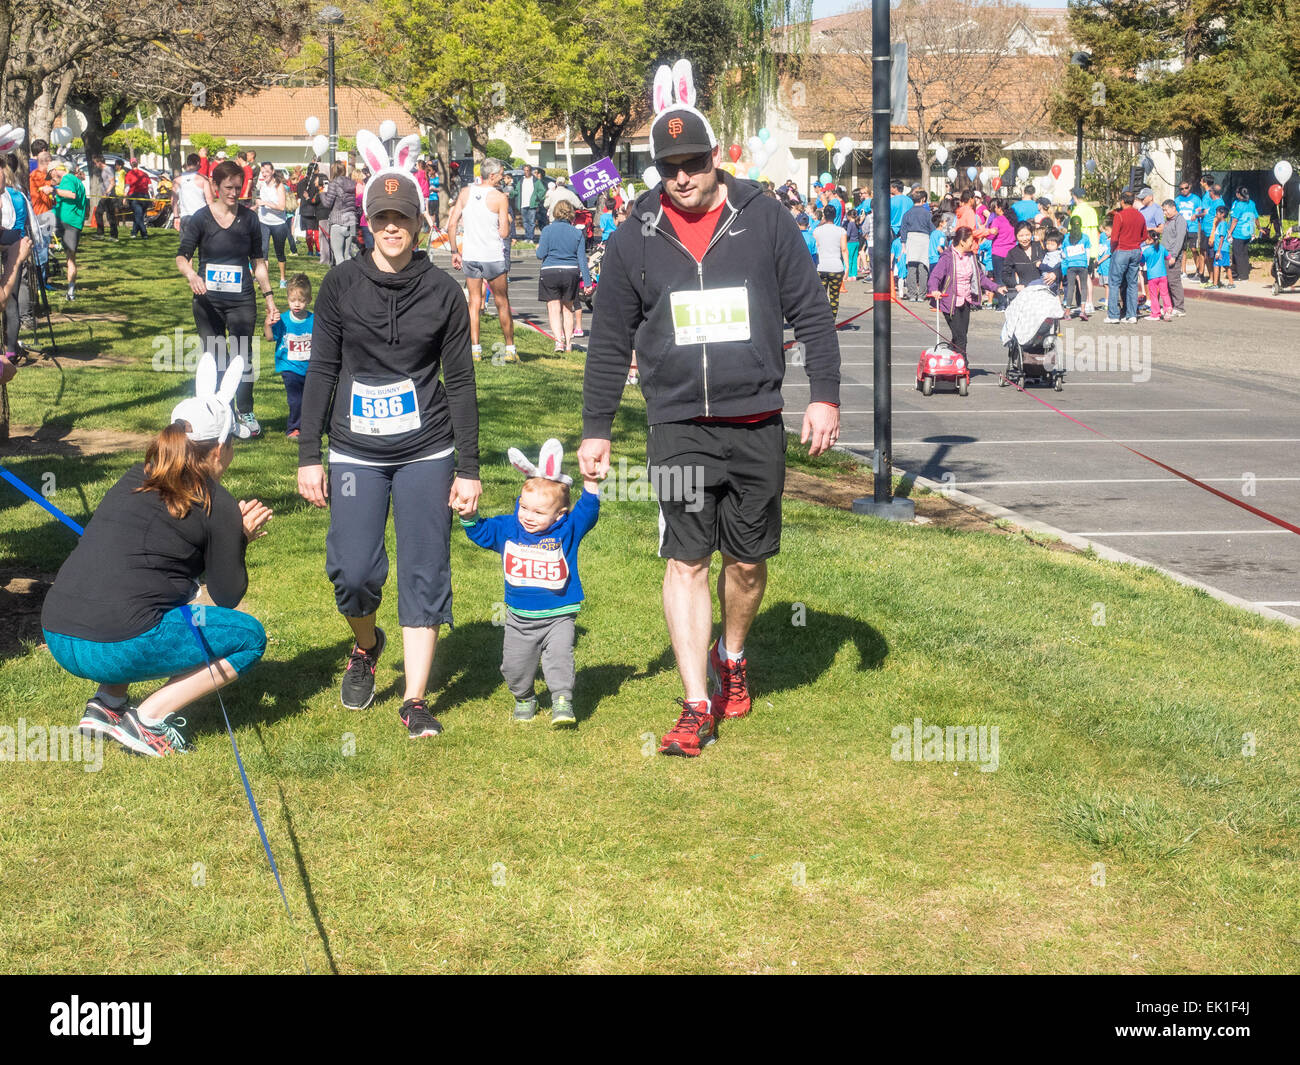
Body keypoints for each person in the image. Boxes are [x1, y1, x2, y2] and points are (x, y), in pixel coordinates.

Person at [578, 60, 840, 758]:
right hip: (676, 423)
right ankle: (696, 702)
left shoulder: (764, 218)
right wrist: (596, 428)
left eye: (692, 162)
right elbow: (607, 340)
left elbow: (812, 311)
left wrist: (824, 395)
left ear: (715, 157)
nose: (682, 178)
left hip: (755, 418)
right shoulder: (634, 234)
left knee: (747, 565)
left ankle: (733, 653)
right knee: (687, 559)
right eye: (669, 168)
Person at [296, 151, 481, 739]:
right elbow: (321, 371)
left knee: (424, 569)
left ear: (419, 223)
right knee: (353, 570)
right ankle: (367, 644)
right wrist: (308, 457)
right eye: (382, 218)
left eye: (402, 217)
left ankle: (416, 699)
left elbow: (462, 382)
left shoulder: (444, 293)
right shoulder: (340, 285)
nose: (392, 227)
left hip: (427, 449)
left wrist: (469, 468)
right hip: (354, 451)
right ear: (367, 222)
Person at [39, 355, 271, 757]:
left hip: (57, 632)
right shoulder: (218, 502)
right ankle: (147, 719)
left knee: (145, 594)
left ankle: (106, 704)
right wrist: (239, 538)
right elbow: (227, 593)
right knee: (249, 637)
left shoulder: (136, 475)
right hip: (112, 645)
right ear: (219, 449)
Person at [460, 441, 599, 728]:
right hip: (519, 618)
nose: (527, 516)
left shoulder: (568, 529)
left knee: (559, 657)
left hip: (559, 614)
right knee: (514, 666)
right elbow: (483, 532)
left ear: (559, 515)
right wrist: (468, 517)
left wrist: (591, 481)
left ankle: (562, 699)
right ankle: (524, 697)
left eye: (537, 512)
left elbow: (588, 509)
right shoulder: (510, 528)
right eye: (524, 507)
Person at [176, 158, 279, 437]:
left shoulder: (249, 219)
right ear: (215, 186)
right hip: (207, 301)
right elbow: (182, 257)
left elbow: (259, 263)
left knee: (242, 358)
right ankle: (219, 413)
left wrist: (269, 299)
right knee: (216, 358)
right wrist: (192, 276)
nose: (234, 193)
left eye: (238, 187)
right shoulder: (201, 218)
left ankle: (245, 411)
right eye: (228, 187)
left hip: (241, 300)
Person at [446, 156, 516, 362]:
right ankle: (510, 349)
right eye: (501, 174)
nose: (502, 178)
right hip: (492, 255)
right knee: (502, 301)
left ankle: (475, 349)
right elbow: (504, 233)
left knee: (474, 302)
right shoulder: (500, 197)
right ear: (492, 175)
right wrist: (505, 223)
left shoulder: (466, 192)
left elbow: (452, 224)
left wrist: (454, 251)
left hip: (471, 255)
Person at [926, 225, 1007, 356]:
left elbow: (980, 278)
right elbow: (935, 276)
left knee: (960, 335)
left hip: (966, 301)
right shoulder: (947, 257)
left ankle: (951, 357)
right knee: (961, 337)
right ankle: (962, 364)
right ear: (962, 242)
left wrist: (996, 288)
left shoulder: (971, 257)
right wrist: (934, 290)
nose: (973, 243)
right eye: (971, 240)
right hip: (950, 302)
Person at [535, 199, 591, 353]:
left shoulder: (547, 230)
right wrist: (587, 282)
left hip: (550, 271)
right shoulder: (577, 233)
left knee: (553, 309)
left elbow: (540, 255)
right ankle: (568, 344)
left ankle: (558, 342)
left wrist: (537, 248)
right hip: (570, 272)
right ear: (571, 214)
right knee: (568, 309)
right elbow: (582, 260)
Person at [264, 272, 314, 437]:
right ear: (287, 299)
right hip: (289, 367)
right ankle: (293, 428)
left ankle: (311, 426)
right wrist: (267, 324)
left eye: (301, 300)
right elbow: (270, 338)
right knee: (295, 400)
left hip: (309, 367)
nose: (297, 304)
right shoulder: (283, 320)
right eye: (293, 300)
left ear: (309, 300)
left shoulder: (315, 320)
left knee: (310, 399)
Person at [49, 160, 87, 302]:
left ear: (54, 171)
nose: (52, 179)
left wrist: (54, 190)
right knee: (70, 257)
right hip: (70, 221)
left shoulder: (67, 178)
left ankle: (71, 292)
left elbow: (71, 195)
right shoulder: (75, 180)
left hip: (68, 222)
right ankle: (70, 291)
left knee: (70, 258)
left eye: (51, 175)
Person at [1105, 190, 1146, 323]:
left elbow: (1114, 237)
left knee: (1114, 283)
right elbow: (1144, 236)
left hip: (1121, 249)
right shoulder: (1140, 216)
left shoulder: (1120, 216)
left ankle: (1113, 315)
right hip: (1135, 250)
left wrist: (1112, 248)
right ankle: (1132, 314)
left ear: (1122, 201)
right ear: (1133, 201)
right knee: (1132, 283)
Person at [255, 163, 292, 288]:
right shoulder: (262, 185)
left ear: (272, 171)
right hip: (264, 222)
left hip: (278, 224)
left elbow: (282, 207)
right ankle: (264, 281)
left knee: (279, 252)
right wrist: (256, 204)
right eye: (262, 171)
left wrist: (265, 203)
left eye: (266, 171)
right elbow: (259, 201)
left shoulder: (279, 186)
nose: (264, 174)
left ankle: (283, 279)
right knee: (263, 251)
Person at [812, 204, 849, 317]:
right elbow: (843, 249)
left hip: (821, 266)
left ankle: (821, 319)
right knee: (834, 296)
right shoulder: (841, 231)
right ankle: (831, 321)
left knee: (821, 296)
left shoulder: (817, 231)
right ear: (835, 215)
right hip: (836, 267)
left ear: (824, 215)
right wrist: (847, 267)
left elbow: (816, 246)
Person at [319, 160, 358, 265]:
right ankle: (351, 278)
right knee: (347, 255)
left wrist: (322, 193)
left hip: (338, 221)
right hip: (352, 221)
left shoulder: (334, 183)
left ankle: (343, 279)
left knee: (338, 256)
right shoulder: (352, 183)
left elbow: (327, 204)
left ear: (333, 171)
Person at [899, 188, 934, 300]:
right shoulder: (927, 214)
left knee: (911, 267)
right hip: (924, 239)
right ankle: (922, 295)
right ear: (923, 199)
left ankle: (912, 294)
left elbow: (903, 230)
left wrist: (903, 244)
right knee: (923, 267)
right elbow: (932, 229)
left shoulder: (907, 213)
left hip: (911, 239)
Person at [1159, 199, 1188, 316]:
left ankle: (1179, 307)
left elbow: (1179, 240)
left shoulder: (1180, 221)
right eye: (1163, 210)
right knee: (1166, 282)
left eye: (1166, 210)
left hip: (1172, 256)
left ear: (1173, 208)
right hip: (1165, 255)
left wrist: (1174, 256)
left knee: (1173, 281)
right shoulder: (1168, 220)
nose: (1164, 213)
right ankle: (1169, 305)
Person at [1061, 215, 1092, 319]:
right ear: (1081, 224)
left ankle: (1067, 313)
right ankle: (1083, 311)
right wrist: (1086, 264)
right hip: (1083, 264)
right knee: (1083, 288)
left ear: (1071, 225)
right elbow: (1088, 252)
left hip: (1071, 265)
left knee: (1070, 288)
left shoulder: (1066, 238)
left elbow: (1063, 254)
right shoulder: (1085, 237)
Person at [172, 153, 212, 233]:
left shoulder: (177, 180)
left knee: (186, 244)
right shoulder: (203, 179)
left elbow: (174, 201)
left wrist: (176, 216)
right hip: (201, 216)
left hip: (185, 216)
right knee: (203, 244)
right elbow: (209, 199)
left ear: (187, 163)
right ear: (198, 163)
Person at [1000, 222, 1045, 291]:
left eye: (1027, 235)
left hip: (1043, 288)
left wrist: (1053, 274)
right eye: (1021, 236)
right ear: (1016, 236)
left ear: (1031, 234)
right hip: (1025, 291)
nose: (1024, 239)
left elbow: (1054, 263)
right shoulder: (1013, 253)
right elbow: (1005, 275)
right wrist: (1015, 285)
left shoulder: (1040, 247)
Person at [1227, 186, 1259, 282]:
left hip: (1238, 233)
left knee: (1238, 254)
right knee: (1244, 253)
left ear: (1239, 195)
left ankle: (1243, 276)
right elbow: (1256, 217)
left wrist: (1230, 232)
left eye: (1237, 192)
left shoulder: (1239, 205)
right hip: (1248, 233)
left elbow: (1235, 220)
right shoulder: (1252, 203)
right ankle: (1242, 272)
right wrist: (1259, 227)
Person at [1174, 179, 1200, 278]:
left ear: (1189, 187)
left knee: (1193, 249)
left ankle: (1198, 270)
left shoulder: (1196, 199)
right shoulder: (1177, 200)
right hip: (1181, 228)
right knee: (1183, 250)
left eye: (1186, 188)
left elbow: (1200, 211)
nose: (1184, 190)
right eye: (1181, 189)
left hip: (1192, 227)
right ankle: (1183, 271)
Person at [122, 159, 152, 239]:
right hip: (145, 197)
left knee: (138, 216)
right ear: (137, 164)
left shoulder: (129, 174)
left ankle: (144, 233)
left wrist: (124, 198)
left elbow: (127, 187)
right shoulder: (145, 174)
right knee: (139, 215)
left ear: (131, 164)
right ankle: (134, 233)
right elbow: (150, 187)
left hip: (135, 197)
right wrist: (153, 196)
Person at [92, 155, 120, 239]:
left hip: (109, 196)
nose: (95, 165)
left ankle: (114, 236)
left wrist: (107, 192)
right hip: (105, 196)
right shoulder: (103, 170)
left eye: (95, 163)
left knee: (110, 216)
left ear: (99, 162)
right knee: (98, 213)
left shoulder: (108, 169)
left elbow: (112, 183)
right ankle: (100, 234)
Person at [515, 163, 544, 242]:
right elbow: (517, 190)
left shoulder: (535, 180)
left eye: (528, 170)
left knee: (531, 222)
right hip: (523, 204)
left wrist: (536, 198)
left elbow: (542, 191)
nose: (526, 172)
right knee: (525, 222)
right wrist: (510, 194)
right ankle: (527, 237)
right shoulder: (521, 180)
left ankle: (530, 238)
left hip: (532, 205)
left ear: (530, 171)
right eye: (525, 170)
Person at [1210, 204, 1233, 288]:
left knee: (1216, 265)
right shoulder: (1221, 224)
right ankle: (1231, 282)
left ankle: (1215, 284)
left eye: (1218, 213)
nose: (1216, 214)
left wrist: (1218, 251)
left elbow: (1222, 237)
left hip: (1221, 249)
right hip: (1221, 249)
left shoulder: (1222, 224)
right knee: (1226, 265)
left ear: (1222, 214)